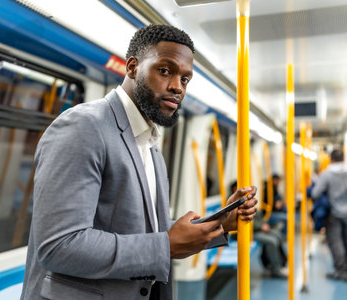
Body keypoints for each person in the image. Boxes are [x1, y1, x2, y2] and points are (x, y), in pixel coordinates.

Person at [20, 24, 258, 300]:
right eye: (165, 70)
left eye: (185, 79)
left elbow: (143, 231)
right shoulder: (83, 127)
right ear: (132, 67)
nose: (176, 87)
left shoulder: (149, 143)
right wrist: (165, 246)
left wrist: (219, 224)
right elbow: (59, 246)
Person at [311, 148, 347, 281]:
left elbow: (315, 193)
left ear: (330, 159)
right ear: (343, 158)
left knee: (335, 242)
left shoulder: (327, 174)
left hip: (334, 213)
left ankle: (340, 271)